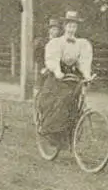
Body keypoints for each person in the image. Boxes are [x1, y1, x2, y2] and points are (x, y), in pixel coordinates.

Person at [35, 11, 93, 144]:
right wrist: (57, 71)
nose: (72, 29)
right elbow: (52, 59)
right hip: (57, 76)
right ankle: (52, 131)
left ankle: (70, 134)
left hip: (72, 76)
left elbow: (83, 62)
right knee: (61, 99)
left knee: (75, 102)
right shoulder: (56, 43)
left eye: (74, 26)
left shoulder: (81, 44)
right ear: (65, 27)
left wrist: (87, 75)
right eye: (69, 26)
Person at [34, 18, 62, 93]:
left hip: (57, 68)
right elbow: (38, 57)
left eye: (56, 29)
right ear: (49, 30)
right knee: (41, 87)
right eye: (53, 29)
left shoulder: (60, 42)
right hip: (44, 67)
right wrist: (43, 67)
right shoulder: (43, 42)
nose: (54, 31)